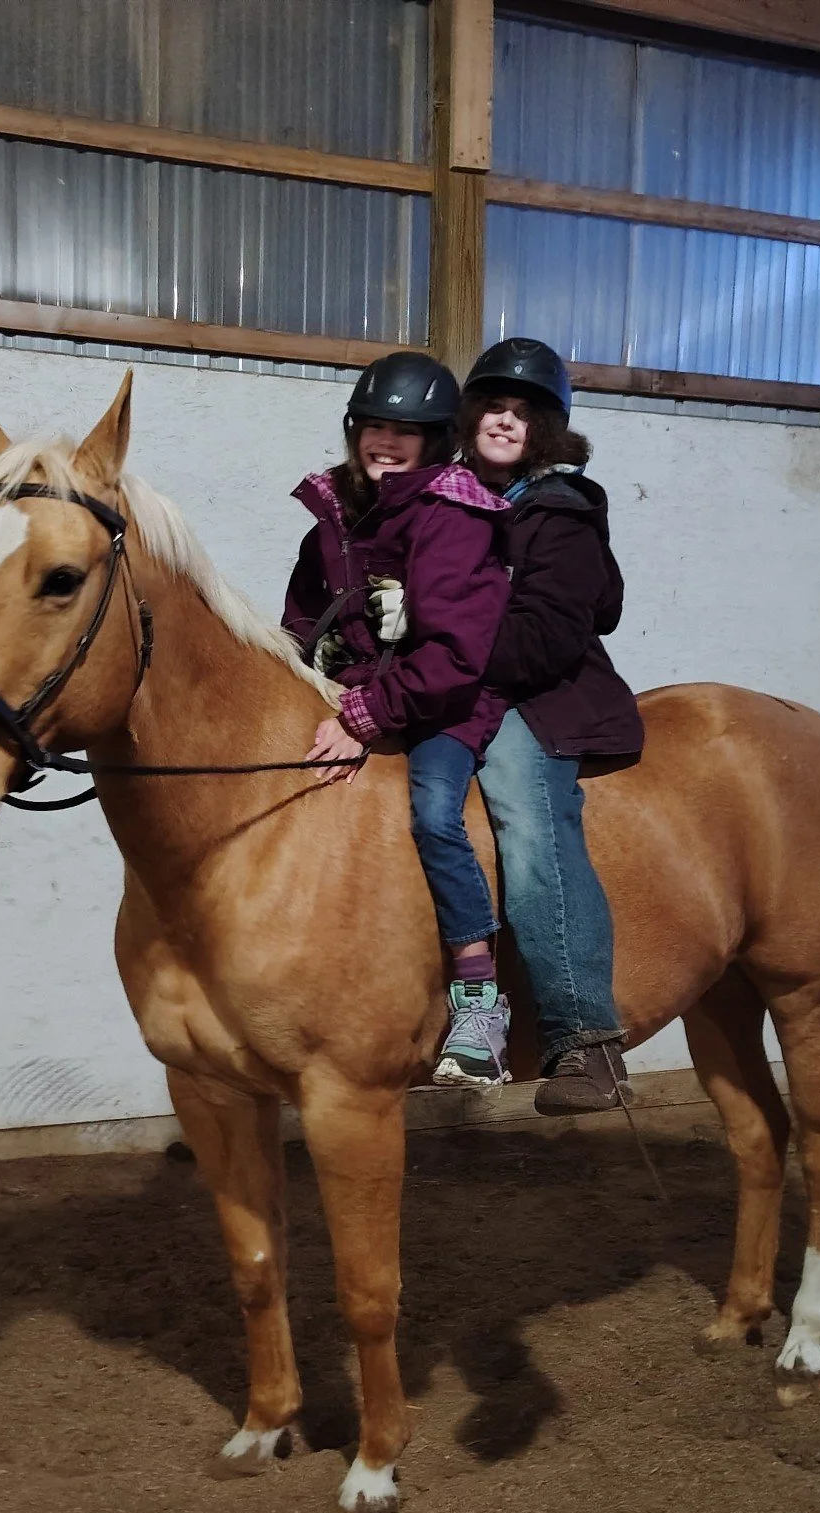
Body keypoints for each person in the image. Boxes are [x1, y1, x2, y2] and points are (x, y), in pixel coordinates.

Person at [284, 351, 517, 1088]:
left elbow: (454, 657)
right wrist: (308, 666)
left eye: (405, 431)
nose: (386, 441)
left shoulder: (454, 514)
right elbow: (296, 619)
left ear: (436, 440)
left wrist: (363, 715)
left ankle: (479, 1002)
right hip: (359, 697)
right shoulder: (331, 516)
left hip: (441, 707)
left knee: (434, 814)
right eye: (374, 426)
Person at [461, 338, 644, 1115]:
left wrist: (444, 648)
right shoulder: (451, 501)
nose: (503, 421)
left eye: (521, 411)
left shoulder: (560, 514)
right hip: (455, 687)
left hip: (534, 697)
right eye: (491, 408)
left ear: (546, 429)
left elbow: (544, 642)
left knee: (525, 812)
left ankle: (586, 1039)